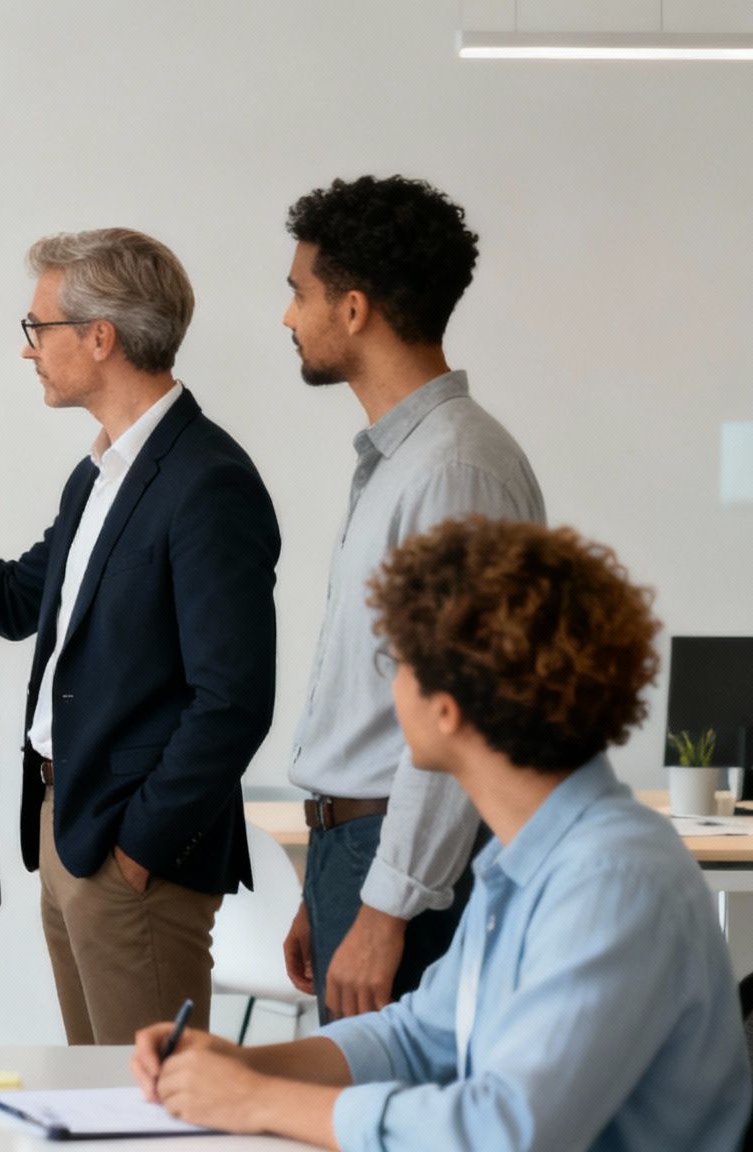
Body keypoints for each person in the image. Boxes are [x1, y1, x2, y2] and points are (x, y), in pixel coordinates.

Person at [133, 517, 751, 1151]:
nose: (390, 687)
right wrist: (241, 1068)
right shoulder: (527, 855)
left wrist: (257, 1101)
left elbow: (504, 1133)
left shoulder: (612, 880)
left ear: (447, 707)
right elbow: (419, 1036)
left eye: (395, 664)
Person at [0, 229, 278, 1042]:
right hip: (68, 826)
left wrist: (137, 847)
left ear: (99, 337)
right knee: (99, 1099)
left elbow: (234, 700)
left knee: (151, 1119)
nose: (29, 349)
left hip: (129, 852)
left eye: (38, 328)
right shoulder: (100, 472)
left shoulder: (208, 481)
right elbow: (14, 600)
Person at [279, 176, 548, 1023]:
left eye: (299, 293)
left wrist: (387, 906)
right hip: (359, 850)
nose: (288, 316)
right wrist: (330, 879)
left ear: (353, 310)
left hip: (404, 864)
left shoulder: (453, 470)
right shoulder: (405, 461)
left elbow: (454, 707)